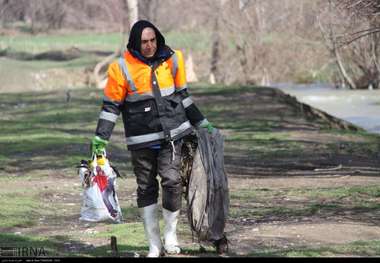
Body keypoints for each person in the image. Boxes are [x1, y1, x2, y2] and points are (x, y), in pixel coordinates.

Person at [91, 20, 214, 257]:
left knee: (172, 181)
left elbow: (183, 97)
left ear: (157, 38)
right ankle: (154, 245)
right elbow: (110, 106)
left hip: (173, 135)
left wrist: (201, 122)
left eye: (152, 40)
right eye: (144, 42)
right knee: (146, 187)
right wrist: (101, 137)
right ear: (136, 43)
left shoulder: (173, 59)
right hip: (141, 140)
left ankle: (170, 235)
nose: (149, 46)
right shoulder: (121, 68)